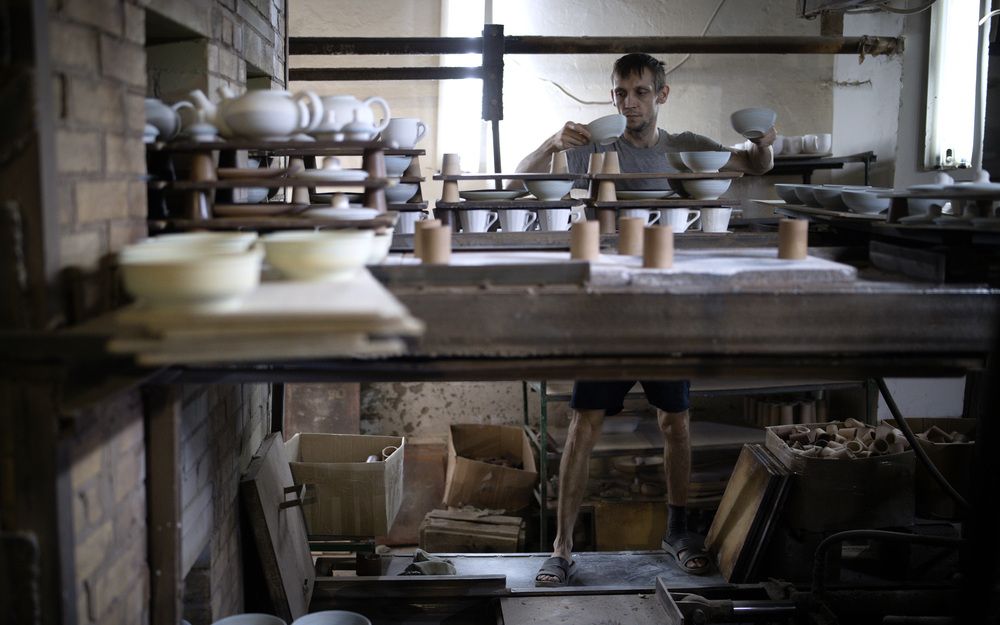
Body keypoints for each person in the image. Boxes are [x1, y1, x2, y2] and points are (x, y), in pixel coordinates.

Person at [519, 53, 776, 587]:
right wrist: (550, 143)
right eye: (620, 92)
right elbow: (524, 178)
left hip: (665, 306)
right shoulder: (594, 148)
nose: (628, 103)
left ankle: (677, 532)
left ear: (661, 94)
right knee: (583, 425)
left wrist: (762, 142)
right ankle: (562, 548)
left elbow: (754, 166)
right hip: (608, 307)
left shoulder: (684, 148)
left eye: (639, 92)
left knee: (674, 422)